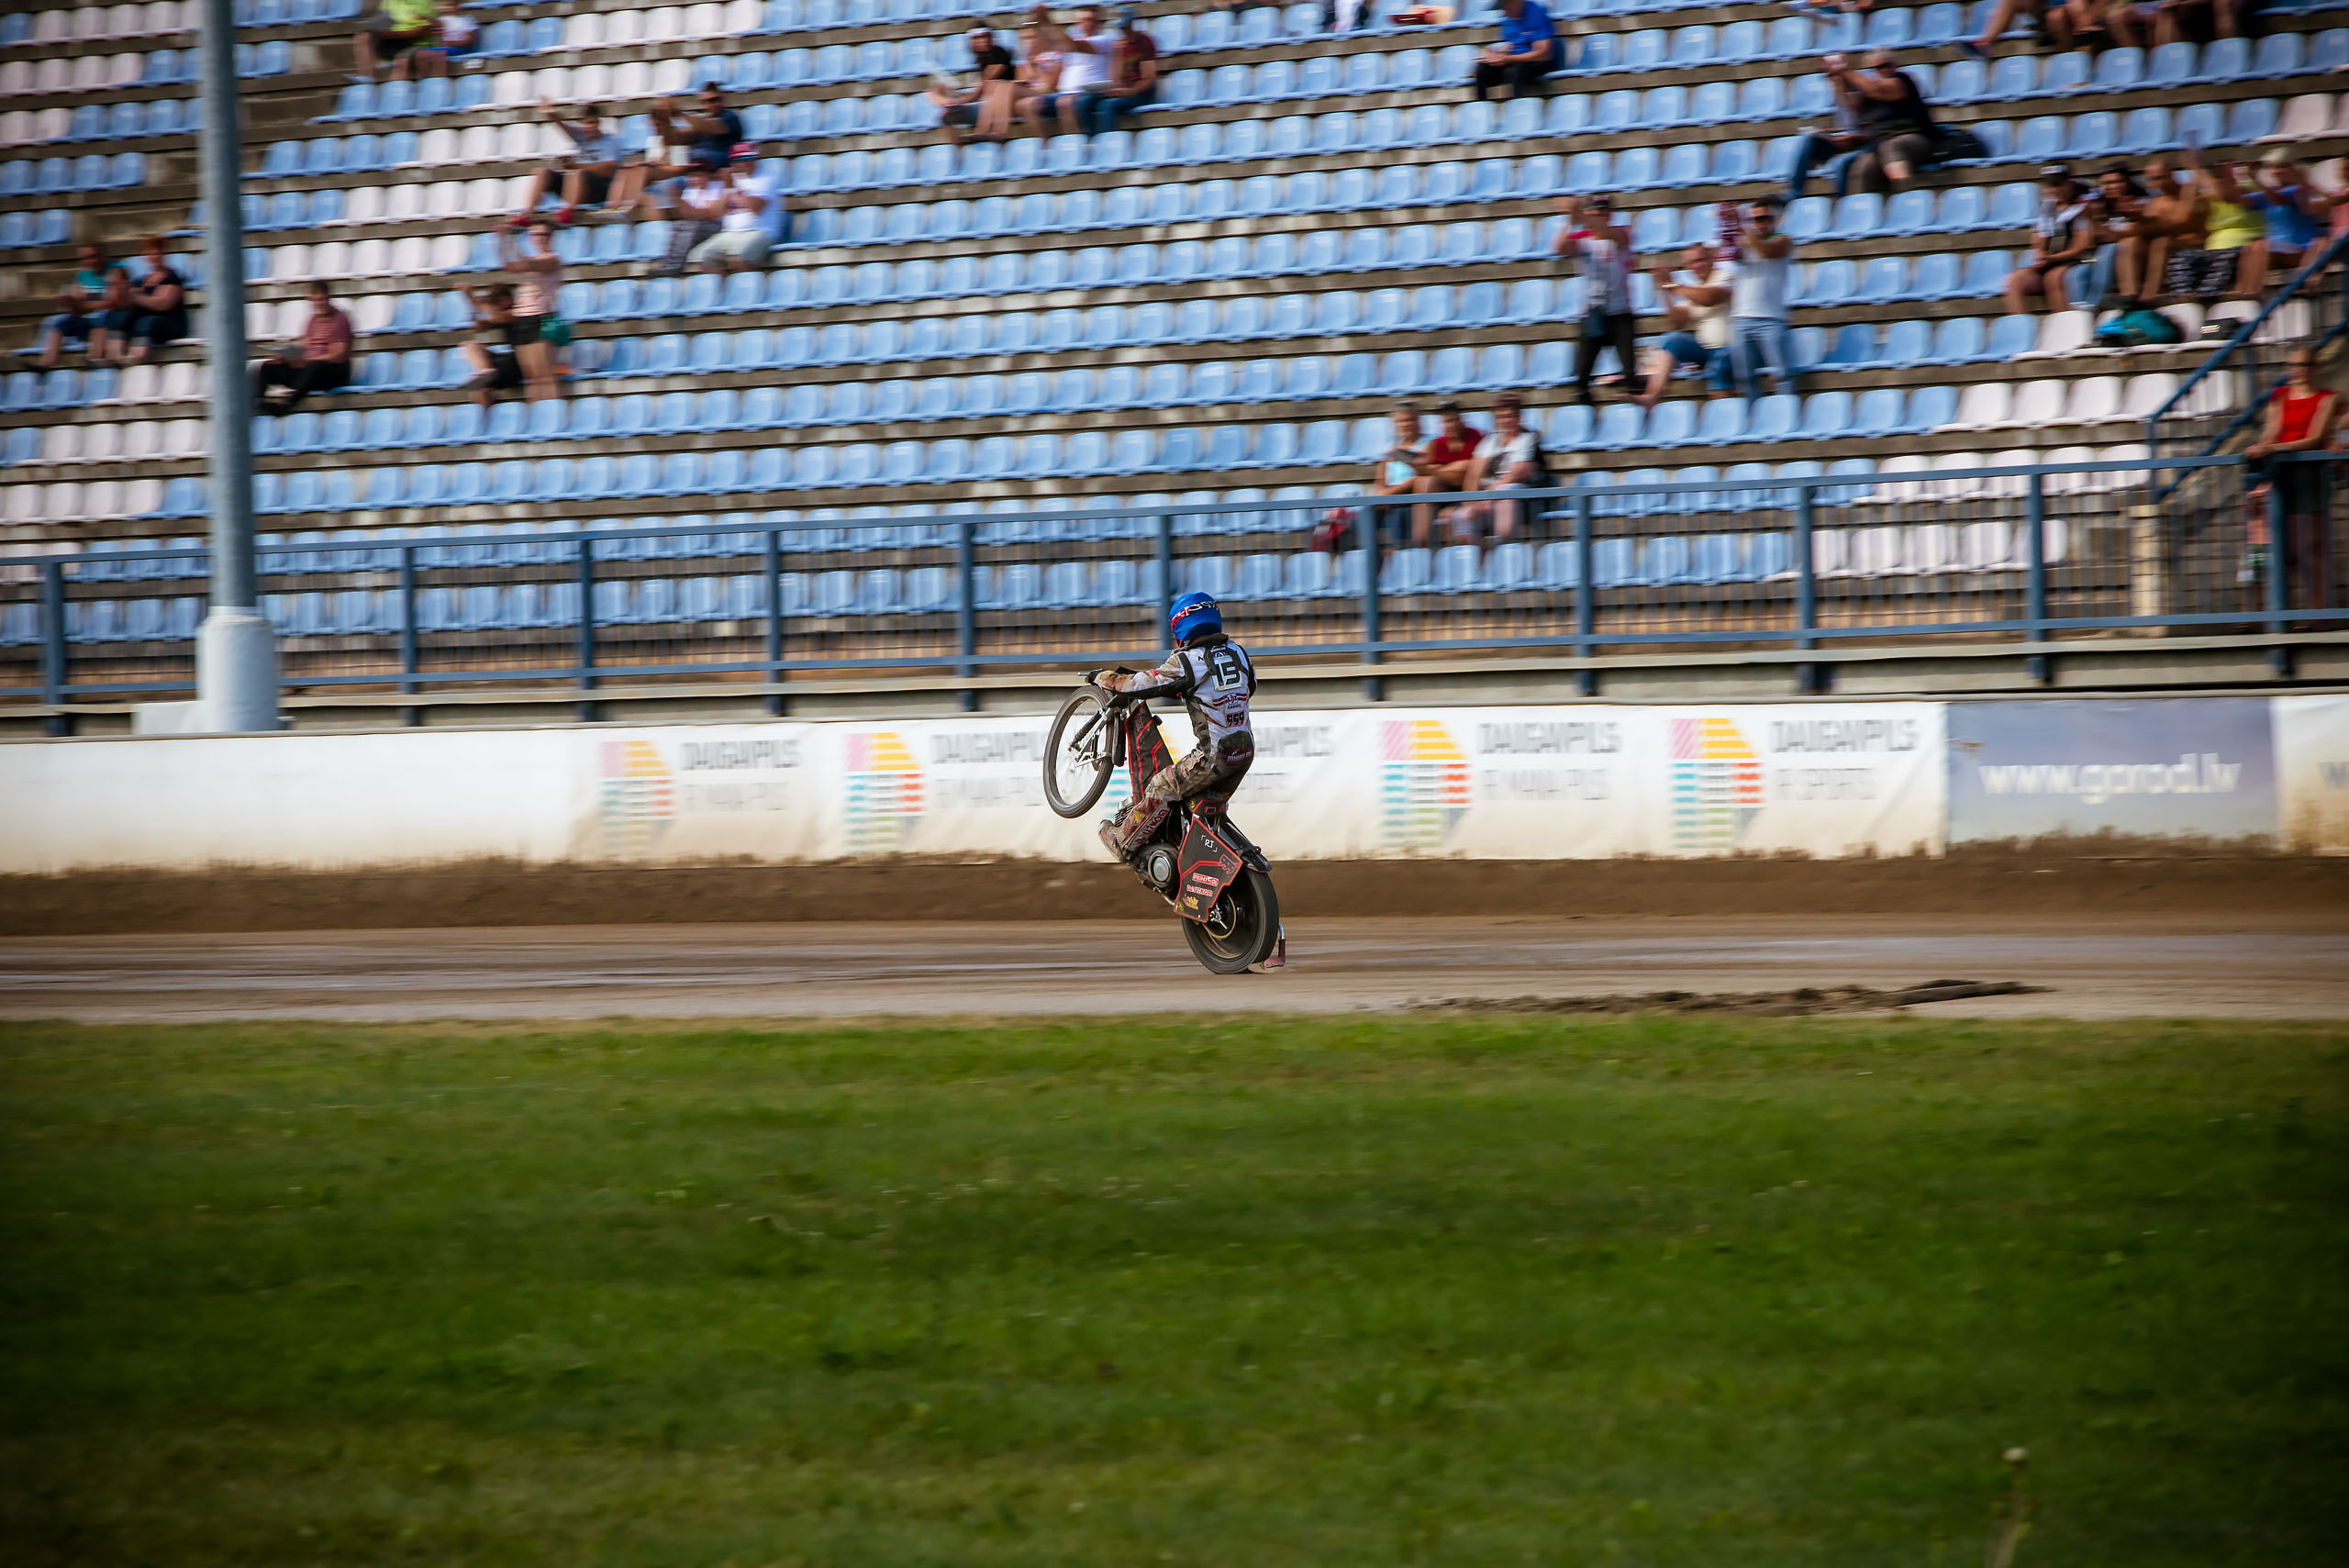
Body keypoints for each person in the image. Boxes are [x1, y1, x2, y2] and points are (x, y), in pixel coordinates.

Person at [1090, 591, 1257, 859]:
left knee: (1161, 786)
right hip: (1245, 752)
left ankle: (1122, 843)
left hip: (1212, 758)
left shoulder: (1187, 660)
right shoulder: (1239, 653)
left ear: (1180, 626)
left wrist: (1105, 678)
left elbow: (1140, 684)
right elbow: (1249, 688)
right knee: (1197, 806)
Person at [2243, 345, 2339, 614]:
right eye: (2294, 365)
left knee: (2311, 547)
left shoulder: (2327, 398)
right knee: (2272, 548)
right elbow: (2270, 433)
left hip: (2309, 477)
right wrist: (2263, 447)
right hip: (2280, 477)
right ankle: (2275, 614)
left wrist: (2275, 448)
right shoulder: (2280, 396)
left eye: (2303, 365)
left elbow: (2315, 438)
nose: (2298, 371)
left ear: (2314, 368)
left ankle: (2319, 613)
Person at [1553, 192, 1637, 407]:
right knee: (1582, 375)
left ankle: (1632, 398)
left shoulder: (1621, 233)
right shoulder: (1582, 239)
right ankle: (1585, 403)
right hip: (1593, 310)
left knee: (1629, 369)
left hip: (1619, 310)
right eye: (1597, 212)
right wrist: (1569, 221)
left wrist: (1579, 215)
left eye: (1604, 212)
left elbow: (1611, 234)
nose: (1601, 216)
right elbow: (1559, 247)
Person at [1637, 242, 1736, 406]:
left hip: (1731, 348)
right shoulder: (1694, 289)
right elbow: (1677, 322)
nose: (1697, 266)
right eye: (1692, 263)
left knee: (1720, 363)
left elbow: (1710, 298)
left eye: (1701, 260)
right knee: (1672, 339)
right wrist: (1663, 290)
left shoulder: (1725, 276)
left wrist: (1674, 287)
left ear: (1712, 259)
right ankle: (1652, 396)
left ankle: (1721, 412)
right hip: (1705, 350)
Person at [511, 99, 634, 227]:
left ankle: (568, 211)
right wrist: (551, 113)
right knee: (542, 172)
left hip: (601, 189)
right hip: (578, 185)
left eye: (594, 123)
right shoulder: (581, 136)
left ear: (599, 123)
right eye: (588, 123)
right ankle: (527, 214)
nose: (591, 127)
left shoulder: (608, 141)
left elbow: (608, 170)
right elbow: (563, 126)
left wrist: (577, 166)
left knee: (577, 173)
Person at [1836, 50, 1939, 196]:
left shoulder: (1901, 80)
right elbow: (1851, 105)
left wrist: (1845, 70)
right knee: (1862, 167)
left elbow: (1877, 90)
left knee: (1891, 146)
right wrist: (1838, 79)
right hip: (1880, 146)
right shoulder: (1870, 94)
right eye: (1878, 67)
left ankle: (1905, 194)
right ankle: (1859, 207)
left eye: (1887, 65)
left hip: (1916, 140)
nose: (1884, 69)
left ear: (1894, 65)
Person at [1458, 393, 1546, 550]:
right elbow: (1474, 472)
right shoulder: (1490, 440)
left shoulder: (1529, 438)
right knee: (1461, 516)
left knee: (1507, 491)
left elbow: (1516, 473)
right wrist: (1470, 502)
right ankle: (1481, 557)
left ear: (1519, 417)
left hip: (1520, 497)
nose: (1506, 421)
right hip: (1489, 497)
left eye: (1510, 416)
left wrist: (1487, 497)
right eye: (1501, 417)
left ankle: (1502, 547)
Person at [2005, 165, 2098, 315]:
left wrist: (2051, 258)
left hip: (2076, 261)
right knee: (2014, 280)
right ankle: (2020, 325)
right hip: (2050, 262)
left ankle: (2064, 324)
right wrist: (2041, 253)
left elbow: (2081, 246)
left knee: (2053, 278)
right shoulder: (2047, 206)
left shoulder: (2082, 205)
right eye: (2052, 186)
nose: (2055, 190)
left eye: (2059, 185)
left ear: (2069, 183)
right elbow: (2040, 239)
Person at [1730, 198, 1797, 402]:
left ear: (1774, 219)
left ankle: (1786, 410)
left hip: (1771, 319)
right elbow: (1728, 256)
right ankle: (1753, 415)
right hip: (1741, 318)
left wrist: (1743, 228)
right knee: (1745, 377)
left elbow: (1768, 251)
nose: (1761, 223)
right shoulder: (1746, 242)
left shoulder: (1783, 240)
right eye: (1756, 219)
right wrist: (1732, 228)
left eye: (1765, 218)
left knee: (1782, 374)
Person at [252, 282, 356, 415]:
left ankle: (286, 405)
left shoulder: (340, 319)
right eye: (315, 300)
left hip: (333, 372)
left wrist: (308, 361)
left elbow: (339, 355)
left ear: (328, 298)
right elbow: (303, 344)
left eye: (321, 299)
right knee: (268, 367)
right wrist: (285, 356)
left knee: (315, 366)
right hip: (311, 371)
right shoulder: (313, 320)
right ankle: (258, 405)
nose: (319, 304)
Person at [2240, 147, 2329, 296]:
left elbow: (2280, 200)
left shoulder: (2300, 190)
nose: (2278, 171)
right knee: (2252, 247)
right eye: (2274, 167)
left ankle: (2253, 293)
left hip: (2301, 250)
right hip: (2278, 250)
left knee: (2260, 245)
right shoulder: (2270, 192)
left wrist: (2256, 181)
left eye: (2283, 166)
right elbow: (2242, 202)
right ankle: (2245, 292)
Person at [1782, 54, 1868, 203]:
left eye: (1835, 75)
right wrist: (1829, 132)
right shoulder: (1838, 96)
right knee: (1808, 139)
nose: (1832, 79)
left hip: (1862, 146)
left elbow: (1871, 130)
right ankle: (1794, 193)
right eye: (1829, 75)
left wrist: (1851, 138)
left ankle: (1843, 205)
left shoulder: (1861, 91)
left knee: (1839, 163)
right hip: (1845, 143)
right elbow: (1847, 127)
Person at [497, 219, 563, 401]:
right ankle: (536, 410)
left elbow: (527, 264)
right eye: (535, 235)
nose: (540, 238)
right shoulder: (534, 259)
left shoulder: (552, 258)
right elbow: (508, 265)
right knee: (531, 376)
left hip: (541, 316)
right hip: (523, 317)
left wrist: (511, 239)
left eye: (544, 234)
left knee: (544, 373)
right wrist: (502, 240)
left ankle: (551, 408)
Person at [99, 237, 186, 366]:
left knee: (146, 322)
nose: (154, 257)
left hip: (170, 323)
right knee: (117, 316)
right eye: (150, 253)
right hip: (149, 324)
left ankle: (135, 358)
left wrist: (134, 297)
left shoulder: (172, 278)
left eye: (157, 253)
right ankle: (115, 357)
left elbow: (163, 304)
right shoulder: (142, 280)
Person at [688, 161, 786, 272]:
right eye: (736, 160)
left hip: (761, 231)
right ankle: (724, 283)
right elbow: (716, 213)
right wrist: (728, 188)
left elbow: (755, 209)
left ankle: (746, 282)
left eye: (746, 160)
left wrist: (735, 187)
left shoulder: (765, 180)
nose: (740, 164)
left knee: (738, 258)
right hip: (729, 233)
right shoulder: (730, 181)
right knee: (701, 258)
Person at [930, 24, 1019, 143]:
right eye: (977, 38)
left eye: (985, 36)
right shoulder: (982, 58)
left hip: (1001, 104)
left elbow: (983, 86)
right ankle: (958, 148)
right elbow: (978, 89)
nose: (982, 41)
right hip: (987, 103)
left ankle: (986, 132)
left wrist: (959, 101)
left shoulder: (999, 53)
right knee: (944, 116)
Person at [1078, 8, 1157, 135]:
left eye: (1125, 27)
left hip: (1140, 92)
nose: (1123, 31)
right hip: (1123, 89)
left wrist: (1131, 91)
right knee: (1084, 102)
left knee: (1107, 105)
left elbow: (1148, 78)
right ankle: (1091, 139)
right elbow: (1115, 77)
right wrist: (1117, 55)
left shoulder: (1144, 42)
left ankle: (1107, 140)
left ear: (1131, 23)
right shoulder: (1119, 45)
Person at [36, 242, 114, 369]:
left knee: (100, 319)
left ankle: (94, 359)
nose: (89, 261)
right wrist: (71, 302)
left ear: (102, 255)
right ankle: (46, 363)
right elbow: (77, 309)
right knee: (60, 323)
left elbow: (116, 302)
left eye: (93, 256)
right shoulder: (82, 275)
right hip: (86, 318)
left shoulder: (115, 271)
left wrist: (89, 303)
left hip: (107, 320)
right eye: (85, 258)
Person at [1042, 5, 1111, 135]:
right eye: (1083, 20)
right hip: (1065, 92)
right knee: (1030, 104)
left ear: (1099, 22)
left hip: (1090, 92)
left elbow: (1075, 46)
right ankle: (1043, 144)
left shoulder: (1104, 40)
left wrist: (1047, 22)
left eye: (1091, 20)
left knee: (1065, 103)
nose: (1087, 24)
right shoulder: (1069, 45)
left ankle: (1077, 142)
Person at [653, 159, 729, 276]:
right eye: (693, 176)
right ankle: (667, 263)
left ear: (708, 175)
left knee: (689, 227)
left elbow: (709, 214)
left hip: (716, 225)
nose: (696, 179)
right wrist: (678, 200)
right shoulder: (690, 190)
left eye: (700, 175)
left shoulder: (717, 187)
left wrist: (678, 198)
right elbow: (686, 215)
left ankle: (674, 266)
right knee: (679, 225)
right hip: (699, 226)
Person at [458, 283, 526, 408]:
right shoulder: (500, 314)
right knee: (469, 346)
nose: (496, 306)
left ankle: (486, 374)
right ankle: (485, 372)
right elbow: (480, 326)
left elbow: (499, 318)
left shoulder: (519, 312)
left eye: (497, 301)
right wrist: (470, 300)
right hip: (508, 362)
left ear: (508, 299)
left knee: (480, 385)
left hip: (521, 362)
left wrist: (481, 303)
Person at [1473, 0, 1556, 100]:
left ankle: (1517, 105)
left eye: (1505, 6)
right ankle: (1482, 105)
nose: (1504, 11)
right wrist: (1495, 54)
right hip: (1515, 60)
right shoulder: (1508, 19)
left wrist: (1507, 58)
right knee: (1482, 70)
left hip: (1537, 61)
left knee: (1515, 71)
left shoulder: (1536, 12)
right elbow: (1510, 46)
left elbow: (1543, 54)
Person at [351, 0, 436, 82]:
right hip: (391, 40)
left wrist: (390, 34)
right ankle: (367, 77)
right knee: (364, 37)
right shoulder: (388, 1)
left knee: (402, 61)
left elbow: (424, 30)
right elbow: (381, 21)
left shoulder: (424, 2)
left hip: (414, 42)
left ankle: (396, 86)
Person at [410, 0, 477, 77]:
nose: (447, 8)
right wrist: (424, 18)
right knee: (420, 54)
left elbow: (469, 40)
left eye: (450, 5)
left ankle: (440, 77)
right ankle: (424, 79)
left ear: (458, 6)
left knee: (438, 54)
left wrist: (452, 43)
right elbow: (436, 23)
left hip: (462, 48)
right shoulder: (444, 19)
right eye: (445, 6)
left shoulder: (466, 20)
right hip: (449, 48)